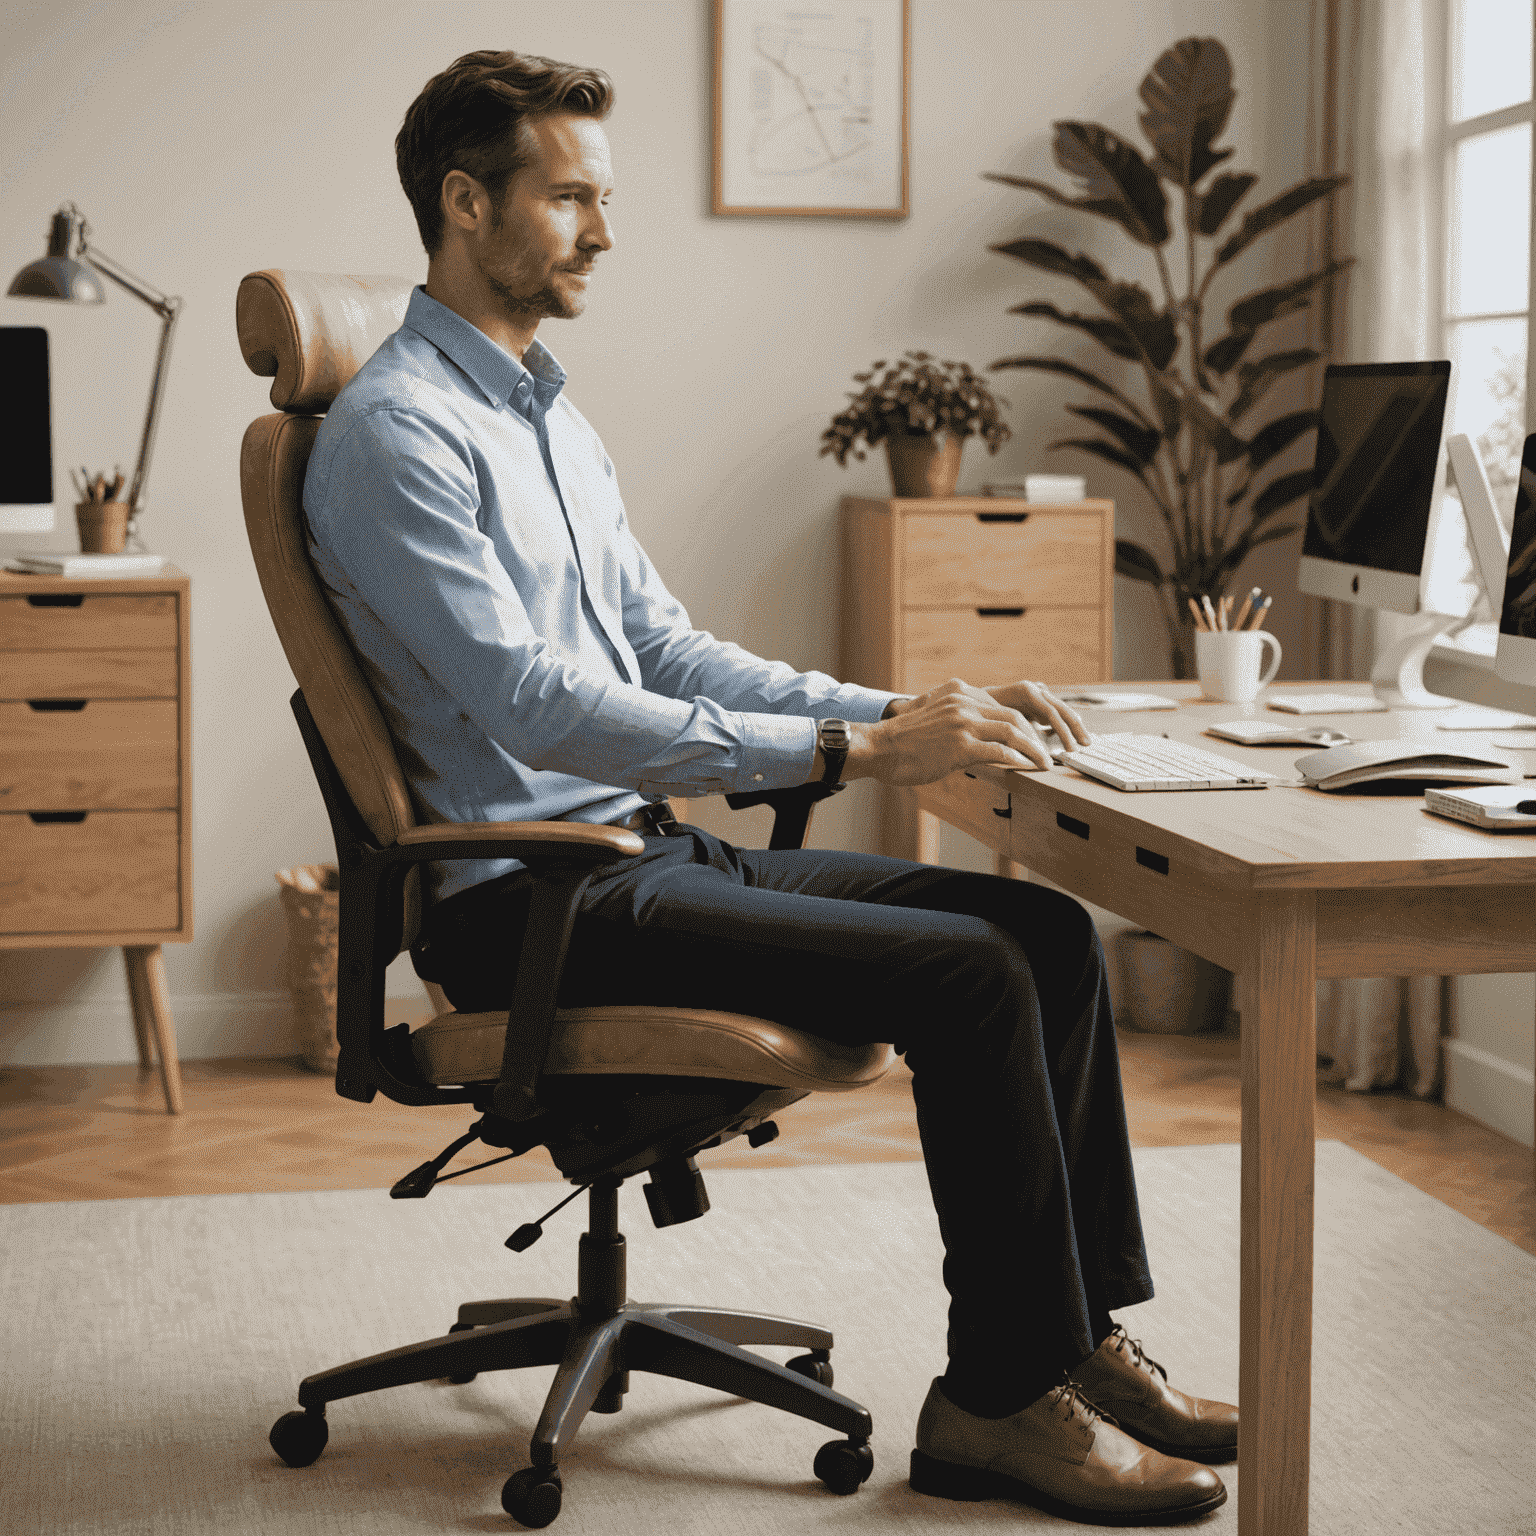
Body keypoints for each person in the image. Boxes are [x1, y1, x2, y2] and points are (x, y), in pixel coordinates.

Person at [302, 48, 1237, 1527]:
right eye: (572, 198)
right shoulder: (396, 439)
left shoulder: (542, 411)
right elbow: (536, 703)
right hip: (532, 901)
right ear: (467, 204)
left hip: (636, 859)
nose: (605, 230)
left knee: (1048, 937)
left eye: (606, 197)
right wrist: (850, 756)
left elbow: (662, 645)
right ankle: (995, 1406)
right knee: (976, 978)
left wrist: (909, 709)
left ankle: (1078, 1343)